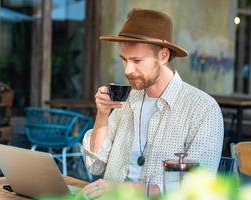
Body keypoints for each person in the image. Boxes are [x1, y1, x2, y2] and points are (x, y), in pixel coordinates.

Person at [81, 8, 224, 198]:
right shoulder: (127, 99)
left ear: (163, 56)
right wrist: (102, 114)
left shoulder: (203, 109)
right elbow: (96, 166)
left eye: (137, 60)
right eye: (124, 60)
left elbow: (194, 188)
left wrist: (121, 190)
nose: (128, 70)